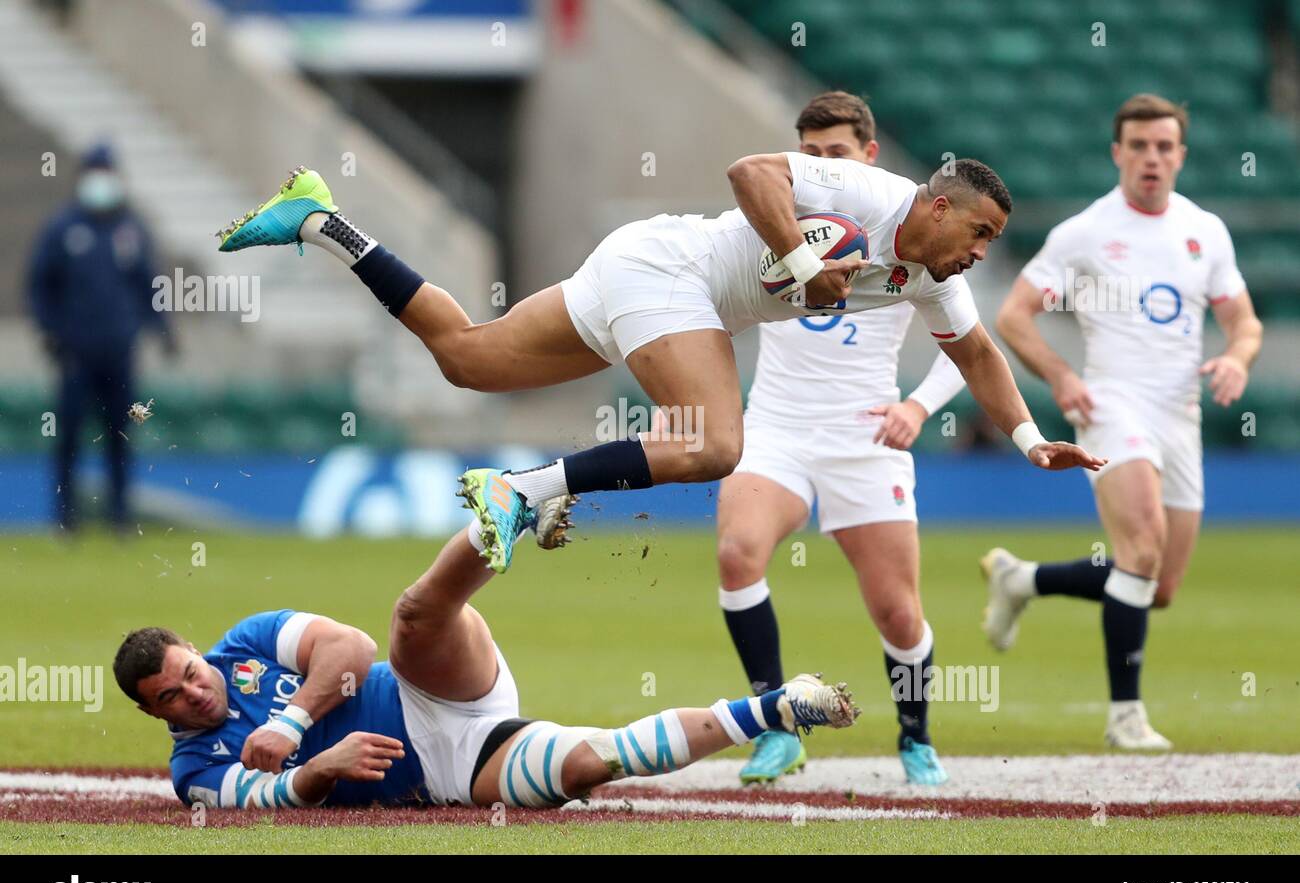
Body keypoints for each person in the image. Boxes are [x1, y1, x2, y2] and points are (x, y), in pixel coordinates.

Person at [217, 151, 1101, 572]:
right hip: (664, 272)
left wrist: (1029, 441)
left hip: (642, 280)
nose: (982, 253)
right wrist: (800, 266)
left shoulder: (933, 280)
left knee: (464, 359)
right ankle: (522, 489)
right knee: (718, 444)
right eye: (980, 232)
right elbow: (751, 171)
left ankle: (320, 221)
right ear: (938, 206)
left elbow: (980, 354)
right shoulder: (873, 194)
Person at [112, 509, 859, 809]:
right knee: (594, 761)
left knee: (411, 617)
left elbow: (352, 648)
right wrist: (321, 764)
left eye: (189, 670)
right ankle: (781, 706)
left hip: (423, 689)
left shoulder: (242, 642)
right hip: (456, 766)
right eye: (172, 696)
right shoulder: (194, 774)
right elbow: (271, 803)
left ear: (193, 647)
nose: (195, 689)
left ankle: (505, 511)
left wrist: (294, 717)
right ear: (152, 714)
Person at [984, 94, 1262, 749]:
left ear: (1181, 156)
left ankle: (1021, 579)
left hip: (1179, 417)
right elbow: (1014, 314)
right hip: (1112, 407)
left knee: (1157, 586)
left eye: (1164, 147)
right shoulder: (1085, 233)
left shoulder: (1204, 232)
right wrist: (1062, 375)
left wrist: (1239, 359)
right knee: (1138, 550)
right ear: (1117, 152)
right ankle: (1125, 717)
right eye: (1138, 146)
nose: (1151, 158)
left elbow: (1243, 322)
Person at [716, 92, 965, 786]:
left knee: (897, 610)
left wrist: (916, 407)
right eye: (810, 155)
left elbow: (968, 346)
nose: (822, 167)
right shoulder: (773, 224)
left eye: (836, 154)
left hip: (864, 438)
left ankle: (915, 737)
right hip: (777, 427)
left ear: (869, 156)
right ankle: (774, 727)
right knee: (738, 554)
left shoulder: (907, 233)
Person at [26, 142, 174, 532]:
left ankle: (120, 517)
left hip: (119, 351)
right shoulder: (63, 228)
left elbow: (147, 284)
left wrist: (163, 329)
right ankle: (64, 517)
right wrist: (50, 331)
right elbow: (40, 285)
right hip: (75, 351)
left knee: (120, 435)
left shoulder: (130, 229)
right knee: (70, 436)